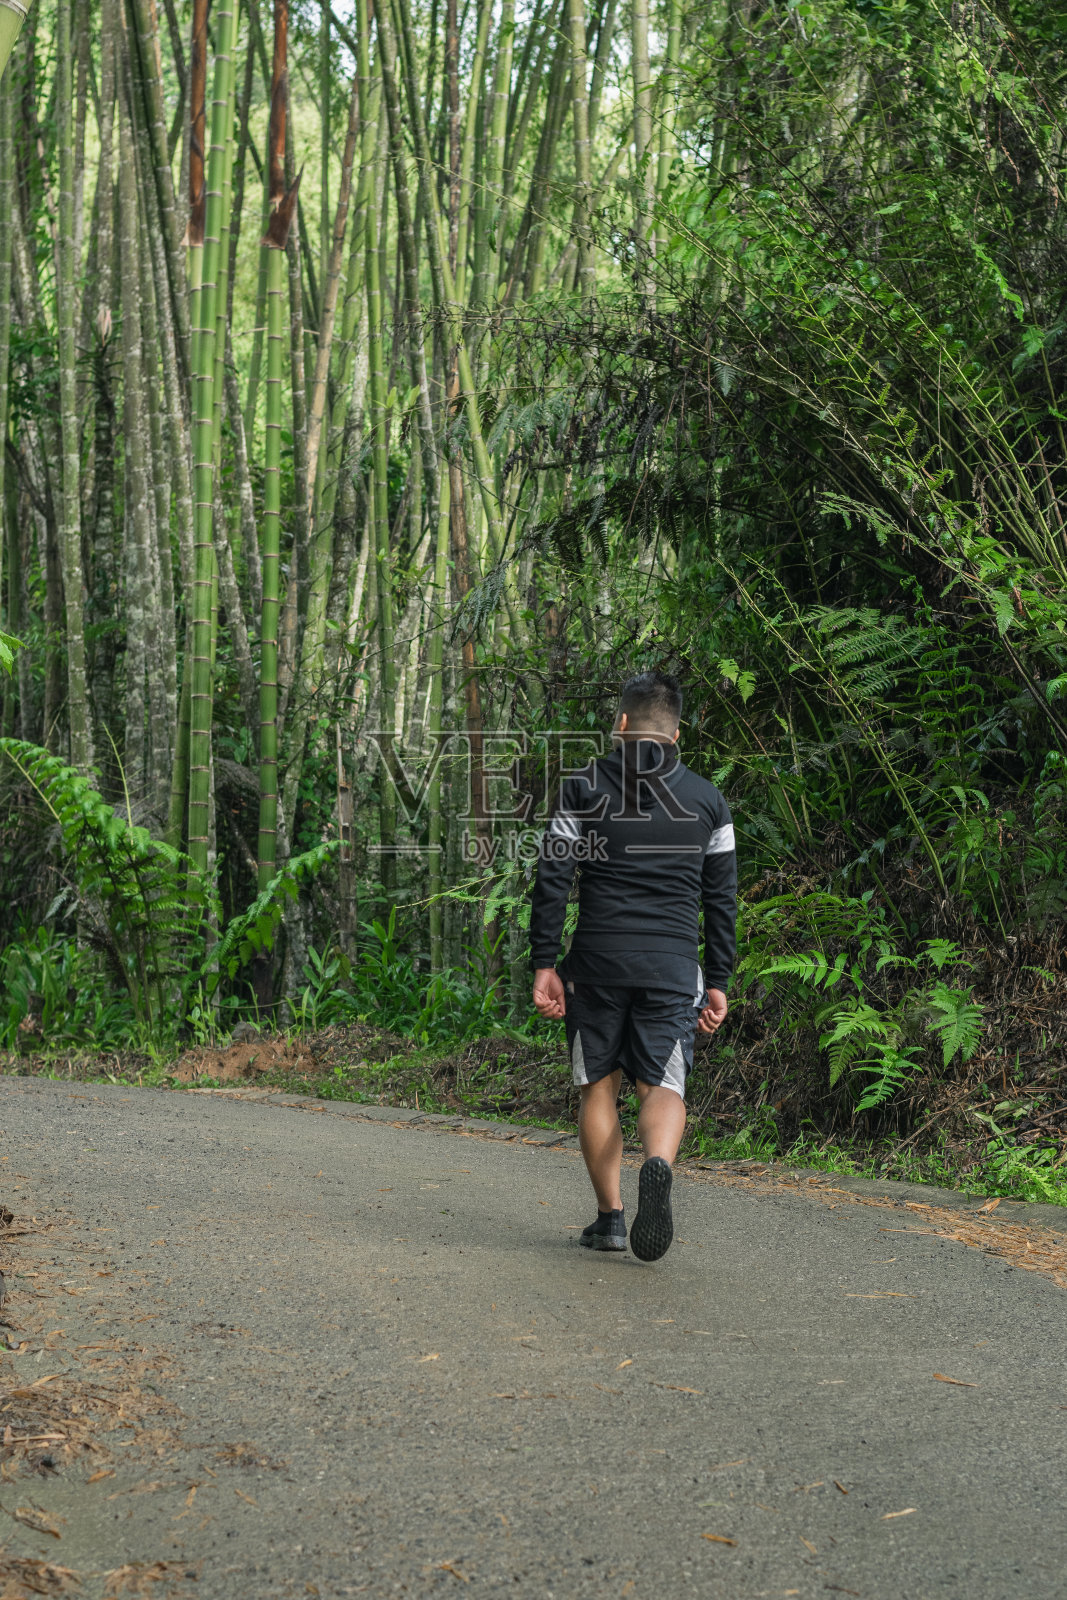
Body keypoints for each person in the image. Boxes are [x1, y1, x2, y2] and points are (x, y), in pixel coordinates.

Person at [528, 671, 737, 1262]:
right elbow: (721, 901)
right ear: (678, 734)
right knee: (663, 1082)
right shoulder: (707, 801)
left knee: (598, 1084)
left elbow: (552, 878)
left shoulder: (583, 787)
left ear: (621, 724)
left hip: (596, 961)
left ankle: (612, 1219)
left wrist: (545, 961)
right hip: (672, 966)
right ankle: (660, 1166)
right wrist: (718, 980)